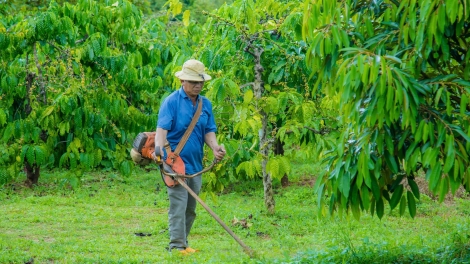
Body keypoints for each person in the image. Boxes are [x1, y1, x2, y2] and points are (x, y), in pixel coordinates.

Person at [154, 59, 226, 254]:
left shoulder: (205, 104)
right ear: (182, 81)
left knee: (191, 208)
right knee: (178, 204)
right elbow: (161, 131)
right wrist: (160, 154)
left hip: (195, 165)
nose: (198, 85)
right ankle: (176, 246)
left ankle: (183, 243)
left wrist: (215, 148)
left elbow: (209, 131)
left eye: (200, 82)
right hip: (175, 163)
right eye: (193, 81)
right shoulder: (171, 102)